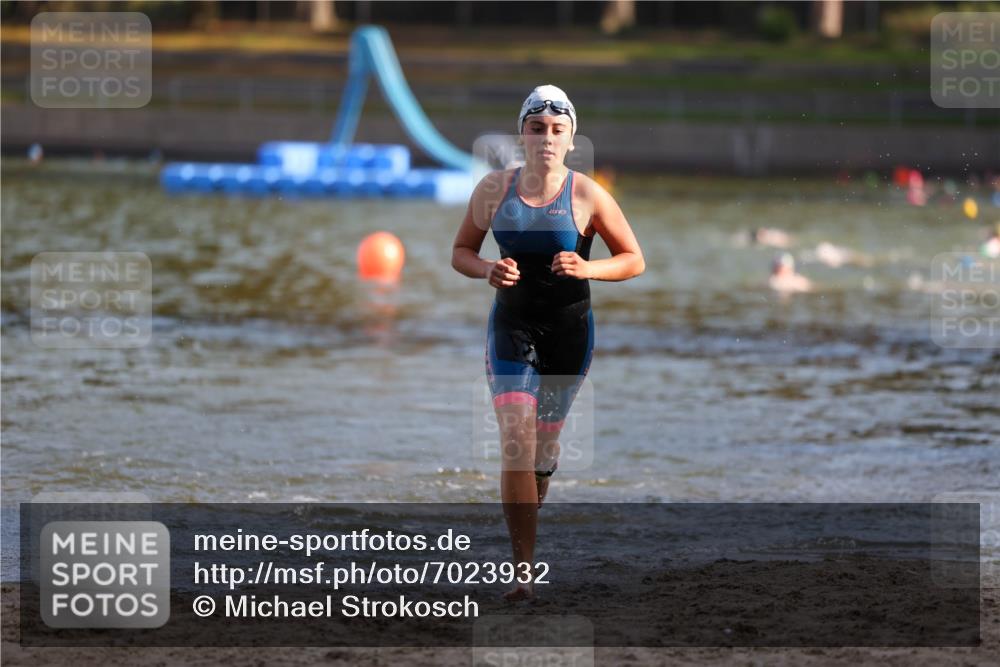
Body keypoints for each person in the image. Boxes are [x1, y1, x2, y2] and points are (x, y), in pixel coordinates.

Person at [451, 85, 645, 600]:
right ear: (523, 134)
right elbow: (460, 251)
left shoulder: (587, 194)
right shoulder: (494, 189)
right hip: (511, 330)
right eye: (537, 129)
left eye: (557, 131)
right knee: (516, 444)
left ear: (571, 137)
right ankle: (523, 574)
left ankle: (541, 476)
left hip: (569, 334)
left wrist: (588, 267)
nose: (546, 139)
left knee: (541, 453)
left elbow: (633, 259)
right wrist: (488, 268)